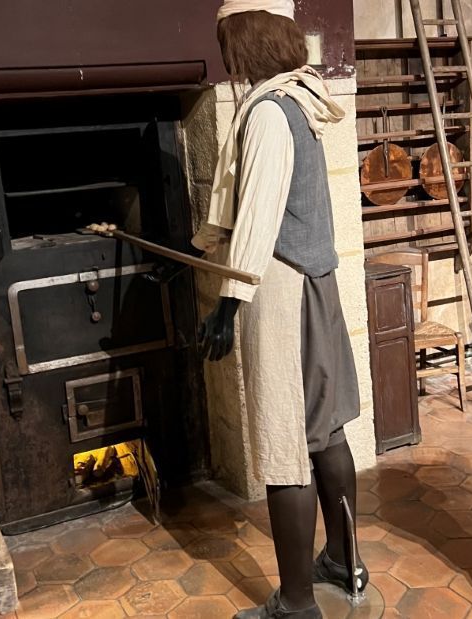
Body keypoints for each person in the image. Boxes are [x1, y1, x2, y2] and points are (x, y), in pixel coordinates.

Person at [193, 2, 369, 618]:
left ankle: (296, 603)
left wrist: (227, 301)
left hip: (281, 287)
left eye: (227, 43)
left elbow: (261, 215)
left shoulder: (268, 111)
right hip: (316, 283)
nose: (225, 57)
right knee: (324, 430)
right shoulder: (302, 101)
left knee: (283, 440)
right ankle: (344, 563)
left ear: (246, 41)